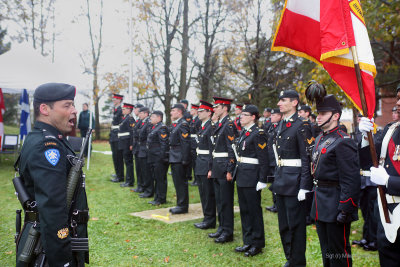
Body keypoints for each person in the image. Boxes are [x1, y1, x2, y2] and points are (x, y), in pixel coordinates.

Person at [16, 83, 89, 266]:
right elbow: (52, 208)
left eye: (73, 105)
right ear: (44, 109)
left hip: (47, 238)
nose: (74, 110)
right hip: (49, 246)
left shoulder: (47, 138)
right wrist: (63, 261)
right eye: (67, 105)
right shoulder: (47, 146)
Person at [310, 94, 360, 266]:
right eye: (318, 112)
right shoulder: (319, 139)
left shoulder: (342, 141)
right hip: (321, 203)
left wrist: (345, 208)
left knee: (339, 253)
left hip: (336, 204)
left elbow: (351, 179)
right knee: (326, 251)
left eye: (323, 113)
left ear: (335, 116)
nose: (318, 116)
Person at [358, 84, 400, 266]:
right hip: (386, 211)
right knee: (387, 257)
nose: (398, 102)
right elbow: (367, 160)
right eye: (398, 97)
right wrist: (366, 136)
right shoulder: (391, 129)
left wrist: (388, 181)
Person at [273, 90, 313, 267]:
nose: (279, 104)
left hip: (295, 183)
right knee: (284, 226)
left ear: (295, 102)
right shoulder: (282, 124)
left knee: (296, 227)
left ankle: (297, 262)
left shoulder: (302, 125)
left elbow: (306, 158)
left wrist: (305, 186)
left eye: (283, 100)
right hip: (281, 180)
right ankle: (290, 258)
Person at [234, 104, 269, 257]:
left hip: (252, 177)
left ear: (253, 117)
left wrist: (262, 179)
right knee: (245, 210)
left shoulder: (258, 133)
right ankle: (247, 241)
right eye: (241, 115)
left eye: (244, 115)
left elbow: (263, 159)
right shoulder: (244, 133)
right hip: (242, 175)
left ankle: (257, 243)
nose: (241, 117)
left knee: (254, 211)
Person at [207, 96, 237, 243]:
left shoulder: (229, 125)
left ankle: (228, 231)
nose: (214, 109)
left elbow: (232, 150)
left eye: (217, 107)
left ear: (225, 108)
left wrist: (230, 169)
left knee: (226, 201)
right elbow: (214, 149)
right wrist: (211, 168)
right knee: (219, 200)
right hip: (217, 166)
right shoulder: (219, 124)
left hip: (225, 167)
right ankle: (221, 228)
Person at [193, 100, 216, 230]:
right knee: (203, 193)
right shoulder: (202, 126)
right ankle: (206, 217)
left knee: (208, 194)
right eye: (199, 111)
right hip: (200, 162)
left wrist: (210, 167)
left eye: (202, 111)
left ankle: (210, 220)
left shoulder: (210, 127)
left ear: (209, 113)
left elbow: (212, 149)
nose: (198, 113)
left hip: (206, 162)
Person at [169, 103, 191, 214]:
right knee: (177, 182)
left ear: (179, 112)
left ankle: (183, 206)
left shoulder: (183, 124)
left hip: (179, 157)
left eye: (173, 111)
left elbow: (185, 143)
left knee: (181, 182)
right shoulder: (176, 124)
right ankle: (180, 204)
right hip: (174, 156)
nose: (171, 113)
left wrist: (185, 159)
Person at [147, 110, 169, 205]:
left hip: (159, 158)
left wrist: (162, 158)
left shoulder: (162, 128)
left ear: (159, 118)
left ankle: (161, 198)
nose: (150, 118)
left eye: (152, 117)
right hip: (153, 157)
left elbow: (164, 145)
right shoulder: (155, 127)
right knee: (156, 178)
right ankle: (157, 197)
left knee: (160, 179)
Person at [265, 108, 282, 213]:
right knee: (273, 182)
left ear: (279, 116)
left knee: (277, 183)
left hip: (276, 160)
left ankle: (278, 205)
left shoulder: (280, 127)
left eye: (274, 115)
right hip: (271, 159)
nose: (271, 117)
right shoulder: (272, 127)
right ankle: (275, 204)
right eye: (271, 115)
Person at [118, 103, 135, 187]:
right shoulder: (125, 118)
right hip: (123, 143)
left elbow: (132, 132)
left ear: (129, 110)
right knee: (127, 162)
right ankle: (128, 180)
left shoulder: (130, 119)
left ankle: (130, 181)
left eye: (124, 109)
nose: (122, 110)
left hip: (127, 143)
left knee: (129, 162)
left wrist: (131, 144)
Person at [137, 107, 153, 198]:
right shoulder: (143, 122)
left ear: (146, 114)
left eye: (141, 113)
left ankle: (149, 190)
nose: (139, 115)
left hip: (145, 150)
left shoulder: (148, 123)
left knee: (147, 172)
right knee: (143, 171)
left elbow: (146, 136)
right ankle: (145, 188)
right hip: (141, 149)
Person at [110, 93, 125, 183]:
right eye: (113, 99)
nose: (113, 101)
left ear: (119, 100)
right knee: (115, 156)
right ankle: (118, 173)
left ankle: (120, 176)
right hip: (113, 136)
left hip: (117, 136)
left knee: (118, 157)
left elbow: (120, 125)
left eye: (115, 99)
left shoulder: (120, 110)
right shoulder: (116, 110)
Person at [130, 103, 144, 193]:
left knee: (142, 169)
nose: (134, 111)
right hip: (137, 148)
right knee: (138, 168)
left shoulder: (142, 122)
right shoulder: (138, 120)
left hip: (141, 148)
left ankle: (142, 186)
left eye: (135, 109)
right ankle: (139, 185)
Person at [189, 104, 201, 186]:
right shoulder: (193, 120)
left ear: (196, 110)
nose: (191, 111)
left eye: (192, 110)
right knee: (193, 162)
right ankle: (195, 179)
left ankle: (197, 180)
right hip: (192, 142)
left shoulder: (198, 120)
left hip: (195, 142)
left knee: (196, 162)